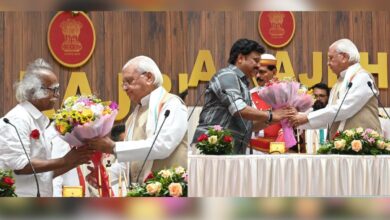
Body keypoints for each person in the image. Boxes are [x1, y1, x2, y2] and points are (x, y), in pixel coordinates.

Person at [86, 56, 188, 184]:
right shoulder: (132, 117)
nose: (124, 88)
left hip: (168, 193)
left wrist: (114, 147)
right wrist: (103, 176)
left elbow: (162, 146)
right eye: (123, 83)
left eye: (129, 81)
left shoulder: (172, 105)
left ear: (149, 78)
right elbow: (128, 164)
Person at [0, 58, 92, 197]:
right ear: (32, 91)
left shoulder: (37, 120)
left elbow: (43, 177)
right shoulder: (18, 119)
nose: (57, 95)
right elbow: (20, 165)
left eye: (58, 89)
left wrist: (74, 161)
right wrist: (64, 160)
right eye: (53, 90)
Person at [192, 39, 293, 154]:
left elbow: (248, 126)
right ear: (240, 58)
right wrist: (270, 115)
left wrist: (277, 118)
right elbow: (238, 108)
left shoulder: (243, 84)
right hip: (210, 147)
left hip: (229, 150)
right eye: (256, 60)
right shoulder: (227, 75)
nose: (258, 65)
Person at [290, 38, 382, 139]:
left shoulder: (361, 77)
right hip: (341, 147)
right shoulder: (339, 82)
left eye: (331, 58)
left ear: (344, 57)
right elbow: (331, 118)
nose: (328, 63)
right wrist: (298, 121)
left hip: (364, 148)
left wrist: (306, 117)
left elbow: (344, 109)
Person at [249, 53, 284, 153]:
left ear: (274, 71)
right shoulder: (249, 95)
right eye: (256, 72)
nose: (258, 76)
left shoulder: (285, 93)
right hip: (256, 149)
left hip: (281, 148)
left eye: (262, 72)